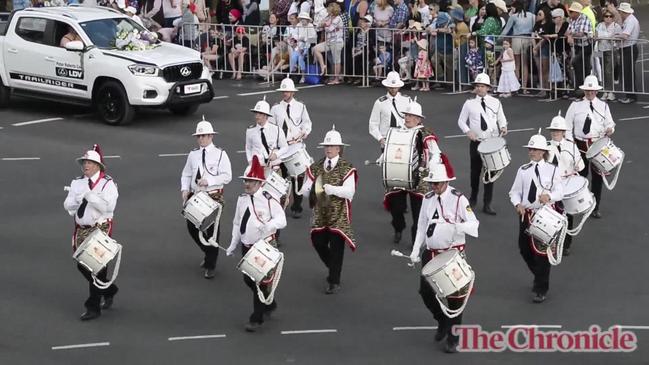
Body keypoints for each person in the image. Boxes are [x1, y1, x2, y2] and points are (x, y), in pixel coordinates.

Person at [408, 157, 479, 353]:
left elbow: (474, 225)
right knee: (426, 292)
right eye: (432, 183)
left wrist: (458, 225)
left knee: (455, 297)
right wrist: (415, 251)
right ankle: (442, 321)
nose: (434, 186)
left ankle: (453, 337)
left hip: (452, 256)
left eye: (437, 183)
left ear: (447, 182)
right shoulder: (428, 199)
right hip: (431, 254)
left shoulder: (459, 199)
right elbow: (422, 226)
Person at [226, 156, 287, 332]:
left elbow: (281, 219)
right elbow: (237, 223)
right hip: (247, 246)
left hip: (264, 247)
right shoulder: (242, 199)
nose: (247, 184)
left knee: (258, 281)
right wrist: (233, 243)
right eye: (246, 180)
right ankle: (269, 303)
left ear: (260, 182)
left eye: (251, 180)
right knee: (248, 279)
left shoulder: (268, 198)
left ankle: (256, 318)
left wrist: (270, 225)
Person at [63, 145, 119, 321]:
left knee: (97, 267)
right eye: (84, 162)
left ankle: (93, 307)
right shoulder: (77, 182)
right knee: (83, 265)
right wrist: (76, 201)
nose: (85, 165)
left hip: (100, 229)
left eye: (89, 162)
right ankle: (109, 290)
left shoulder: (108, 183)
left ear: (97, 165)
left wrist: (90, 197)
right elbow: (68, 206)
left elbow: (109, 207)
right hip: (82, 230)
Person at [300, 125, 358, 294]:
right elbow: (307, 189)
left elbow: (350, 192)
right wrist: (302, 190)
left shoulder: (347, 167)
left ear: (339, 148)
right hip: (320, 213)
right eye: (327, 146)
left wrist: (331, 189)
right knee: (318, 242)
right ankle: (333, 267)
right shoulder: (316, 166)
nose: (329, 149)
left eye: (332, 146)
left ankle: (334, 280)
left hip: (339, 214)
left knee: (337, 246)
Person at [509, 132, 563, 303]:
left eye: (535, 149)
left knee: (541, 252)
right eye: (530, 149)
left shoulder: (553, 170)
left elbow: (560, 191)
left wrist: (550, 197)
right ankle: (539, 276)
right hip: (527, 214)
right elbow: (515, 192)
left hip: (544, 214)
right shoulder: (523, 170)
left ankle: (541, 288)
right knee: (524, 248)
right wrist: (517, 204)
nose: (531, 152)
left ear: (542, 152)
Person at [384, 98, 442, 245]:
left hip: (419, 177)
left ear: (418, 119)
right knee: (396, 208)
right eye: (406, 115)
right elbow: (391, 149)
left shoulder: (425, 133)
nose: (407, 118)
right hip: (399, 173)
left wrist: (430, 167)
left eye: (410, 116)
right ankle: (398, 228)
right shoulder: (398, 131)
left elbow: (436, 153)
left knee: (418, 213)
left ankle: (416, 240)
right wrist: (382, 159)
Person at [181, 118, 232, 279]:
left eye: (204, 136)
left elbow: (227, 176)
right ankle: (209, 251)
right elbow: (186, 173)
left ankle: (211, 263)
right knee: (191, 226)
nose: (201, 139)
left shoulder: (220, 154)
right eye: (199, 136)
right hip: (197, 195)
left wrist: (209, 181)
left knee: (211, 230)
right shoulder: (193, 154)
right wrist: (184, 189)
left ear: (211, 136)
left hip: (213, 195)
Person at [564, 75, 615, 218]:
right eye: (587, 90)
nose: (590, 93)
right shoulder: (575, 105)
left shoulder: (604, 106)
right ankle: (579, 204)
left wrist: (610, 129)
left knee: (598, 178)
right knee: (580, 175)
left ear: (596, 91)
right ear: (584, 90)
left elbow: (610, 123)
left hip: (597, 145)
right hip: (580, 144)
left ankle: (595, 207)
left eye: (592, 90)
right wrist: (570, 142)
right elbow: (567, 126)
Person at [457, 73, 508, 215]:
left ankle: (487, 203)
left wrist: (503, 126)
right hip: (476, 143)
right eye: (477, 86)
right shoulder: (469, 104)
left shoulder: (495, 102)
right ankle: (473, 198)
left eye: (482, 86)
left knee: (490, 173)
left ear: (488, 88)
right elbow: (461, 121)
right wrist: (468, 131)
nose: (479, 88)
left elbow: (501, 118)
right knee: (475, 172)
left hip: (491, 142)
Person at [270, 76, 313, 218]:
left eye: (287, 91)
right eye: (283, 91)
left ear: (293, 92)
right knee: (279, 177)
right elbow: (271, 127)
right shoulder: (275, 108)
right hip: (281, 149)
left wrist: (304, 132)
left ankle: (297, 205)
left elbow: (307, 123)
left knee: (298, 177)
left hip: (295, 147)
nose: (285, 93)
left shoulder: (301, 106)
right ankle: (280, 202)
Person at [545, 111, 585, 256]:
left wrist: (575, 169)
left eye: (558, 130)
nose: (555, 133)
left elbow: (581, 166)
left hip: (567, 186)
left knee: (567, 216)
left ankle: (566, 244)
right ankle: (552, 242)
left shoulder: (572, 147)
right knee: (551, 216)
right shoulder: (545, 147)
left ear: (563, 132)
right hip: (551, 187)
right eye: (553, 130)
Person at [368, 71, 410, 150]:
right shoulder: (379, 102)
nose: (393, 89)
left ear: (399, 86)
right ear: (387, 86)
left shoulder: (407, 100)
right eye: (391, 87)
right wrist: (380, 138)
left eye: (395, 87)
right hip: (386, 139)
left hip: (403, 138)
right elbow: (373, 123)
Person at [245, 97, 288, 167]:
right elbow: (248, 148)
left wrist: (276, 155)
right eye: (256, 113)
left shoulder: (277, 129)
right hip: (257, 166)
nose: (257, 116)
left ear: (265, 115)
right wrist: (250, 161)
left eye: (259, 114)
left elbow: (285, 147)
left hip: (273, 166)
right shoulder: (250, 131)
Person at [612, 2, 639, 104]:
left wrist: (614, 36)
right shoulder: (629, 19)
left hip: (629, 48)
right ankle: (630, 94)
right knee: (627, 72)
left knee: (628, 72)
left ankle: (631, 96)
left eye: (620, 12)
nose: (619, 13)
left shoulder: (630, 20)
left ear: (623, 12)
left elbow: (625, 35)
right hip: (627, 48)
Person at [566, 2, 593, 98]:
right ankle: (580, 89)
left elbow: (581, 34)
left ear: (577, 12)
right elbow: (567, 32)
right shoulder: (572, 20)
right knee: (579, 67)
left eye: (571, 11)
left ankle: (584, 88)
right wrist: (570, 34)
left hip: (586, 46)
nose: (570, 13)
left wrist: (571, 34)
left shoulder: (584, 19)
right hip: (578, 46)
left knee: (577, 63)